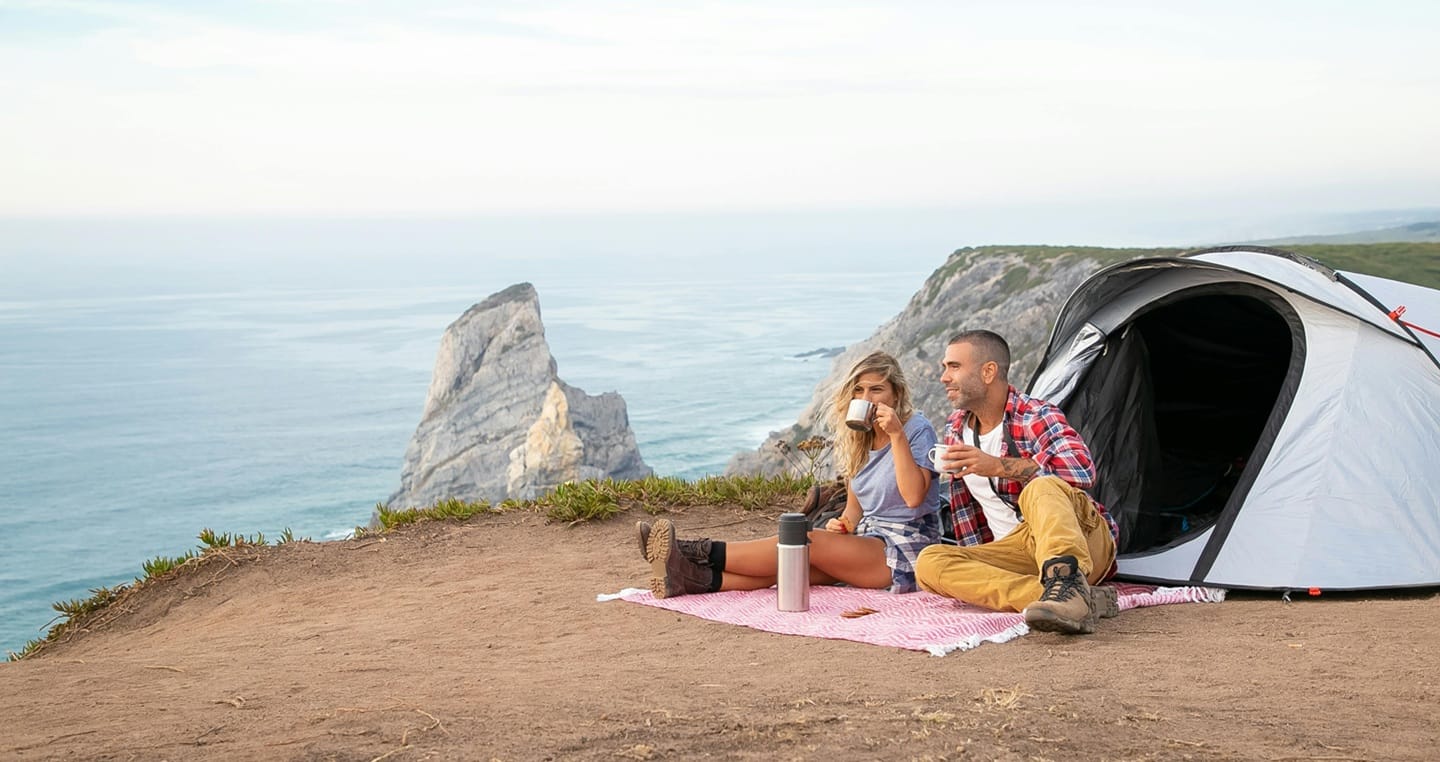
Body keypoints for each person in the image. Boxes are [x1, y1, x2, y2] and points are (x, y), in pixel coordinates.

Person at [639, 350, 942, 598]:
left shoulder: (916, 429)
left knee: (807, 541)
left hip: (908, 549)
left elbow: (914, 497)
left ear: (897, 393)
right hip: (869, 540)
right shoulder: (859, 438)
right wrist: (843, 525)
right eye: (859, 391)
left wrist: (897, 435)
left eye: (877, 389)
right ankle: (690, 579)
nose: (867, 398)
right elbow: (853, 512)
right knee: (793, 570)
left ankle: (691, 550)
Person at [915, 330, 1121, 635]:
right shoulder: (956, 428)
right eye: (945, 367)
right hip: (1017, 549)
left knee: (1042, 485)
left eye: (954, 367)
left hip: (1080, 539)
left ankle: (1067, 580)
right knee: (930, 562)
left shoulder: (1036, 415)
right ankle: (1064, 598)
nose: (944, 377)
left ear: (988, 372)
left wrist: (998, 466)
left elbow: (1081, 470)